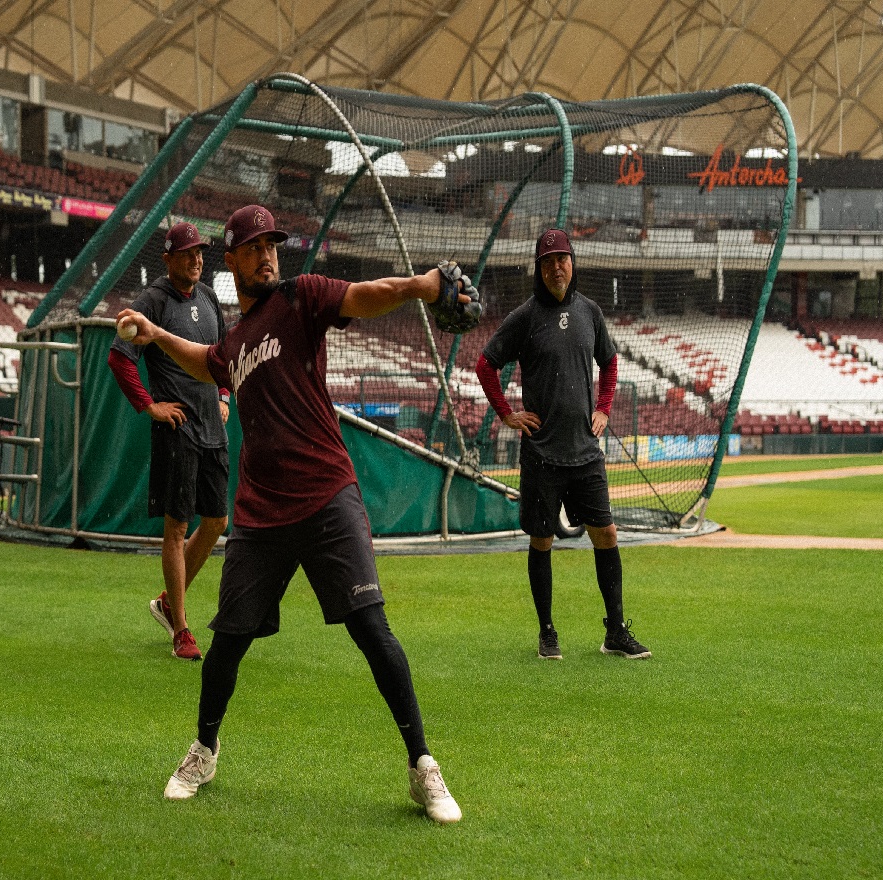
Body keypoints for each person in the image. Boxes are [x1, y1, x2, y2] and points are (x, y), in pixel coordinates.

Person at [117, 204, 463, 824]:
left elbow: (364, 294)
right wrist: (154, 333)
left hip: (328, 495)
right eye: (253, 247)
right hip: (262, 511)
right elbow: (207, 361)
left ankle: (422, 766)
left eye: (272, 244)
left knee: (372, 630)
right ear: (232, 261)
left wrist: (420, 286)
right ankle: (204, 749)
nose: (267, 255)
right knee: (227, 644)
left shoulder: (302, 296)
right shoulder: (236, 339)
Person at [475, 227, 651, 661]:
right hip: (542, 454)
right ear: (539, 268)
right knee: (542, 540)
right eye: (549, 260)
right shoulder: (525, 316)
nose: (557, 267)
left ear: (573, 263)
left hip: (586, 452)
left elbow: (609, 362)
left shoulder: (591, 312)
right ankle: (547, 632)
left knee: (606, 534)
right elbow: (485, 364)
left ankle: (615, 632)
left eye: (563, 259)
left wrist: (605, 408)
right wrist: (506, 414)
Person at [107, 221, 231, 662]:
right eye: (187, 254)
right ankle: (181, 628)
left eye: (200, 253)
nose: (197, 259)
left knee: (216, 523)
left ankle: (165, 602)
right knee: (176, 529)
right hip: (177, 430)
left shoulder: (211, 298)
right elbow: (119, 357)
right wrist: (150, 406)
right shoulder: (153, 302)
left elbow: (222, 357)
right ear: (167, 259)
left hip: (212, 428)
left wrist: (222, 394)